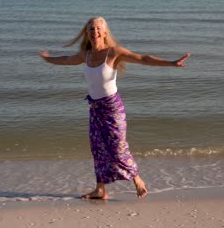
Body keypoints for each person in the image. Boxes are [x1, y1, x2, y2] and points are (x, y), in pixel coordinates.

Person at [39, 17, 190, 199]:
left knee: (118, 147)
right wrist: (48, 59)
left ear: (104, 32)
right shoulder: (85, 54)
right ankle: (100, 189)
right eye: (91, 29)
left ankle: (137, 179)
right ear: (87, 33)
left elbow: (142, 58)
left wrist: (171, 63)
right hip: (95, 107)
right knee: (98, 147)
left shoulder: (114, 52)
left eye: (97, 29)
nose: (94, 32)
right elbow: (66, 59)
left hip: (112, 108)